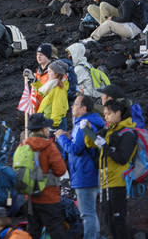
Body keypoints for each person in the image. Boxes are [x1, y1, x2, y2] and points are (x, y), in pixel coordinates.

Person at [87, 99, 137, 239]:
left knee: (118, 222)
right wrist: (88, 130)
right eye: (105, 114)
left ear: (119, 113)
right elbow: (90, 143)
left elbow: (122, 158)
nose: (106, 117)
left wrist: (106, 147)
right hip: (105, 183)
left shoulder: (127, 133)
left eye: (108, 114)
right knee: (107, 221)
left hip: (118, 183)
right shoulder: (108, 131)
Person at [56, 95, 104, 239]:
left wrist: (61, 138)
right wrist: (69, 137)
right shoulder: (84, 124)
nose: (72, 107)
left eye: (76, 104)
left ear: (84, 108)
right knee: (90, 211)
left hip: (85, 173)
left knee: (87, 212)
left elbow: (76, 149)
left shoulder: (83, 124)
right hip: (86, 172)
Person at [22, 113, 68, 239]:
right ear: (43, 129)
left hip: (30, 198)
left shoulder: (23, 146)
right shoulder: (49, 147)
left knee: (33, 232)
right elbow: (61, 170)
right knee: (56, 231)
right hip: (49, 197)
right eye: (47, 127)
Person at [36, 61, 70, 129]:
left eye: (50, 72)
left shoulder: (58, 89)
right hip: (49, 122)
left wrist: (53, 126)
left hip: (54, 125)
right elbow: (42, 92)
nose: (48, 74)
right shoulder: (52, 86)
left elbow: (58, 108)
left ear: (56, 74)